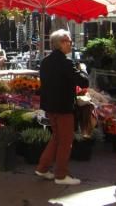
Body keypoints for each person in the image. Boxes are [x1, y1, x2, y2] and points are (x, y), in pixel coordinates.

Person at [35, 29, 89, 185]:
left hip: (50, 106)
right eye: (68, 41)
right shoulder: (66, 62)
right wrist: (83, 69)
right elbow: (83, 82)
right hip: (63, 107)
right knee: (65, 140)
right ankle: (61, 175)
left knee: (57, 138)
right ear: (60, 43)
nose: (71, 44)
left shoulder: (45, 61)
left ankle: (43, 167)